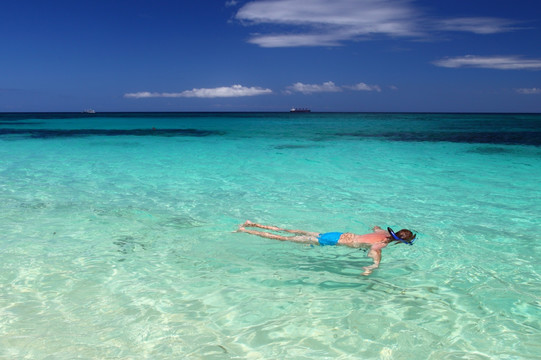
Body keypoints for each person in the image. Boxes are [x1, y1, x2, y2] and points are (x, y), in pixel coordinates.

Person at [237, 220, 416, 276]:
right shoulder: (383, 244)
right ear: (401, 241)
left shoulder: (383, 232)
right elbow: (373, 253)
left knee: (292, 231)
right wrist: (373, 267)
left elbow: (375, 227)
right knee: (284, 239)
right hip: (332, 242)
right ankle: (244, 230)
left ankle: (252, 223)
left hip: (337, 234)